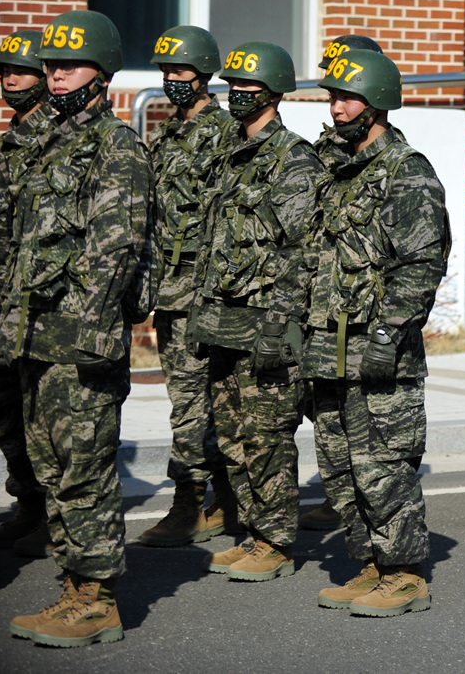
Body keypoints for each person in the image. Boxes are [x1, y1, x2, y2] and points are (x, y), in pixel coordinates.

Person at [6, 9, 154, 648]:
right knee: (49, 465)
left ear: (103, 71)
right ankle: (72, 590)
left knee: (84, 470)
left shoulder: (115, 146)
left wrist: (83, 338)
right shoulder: (47, 144)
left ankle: (97, 599)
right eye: (52, 63)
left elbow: (114, 250)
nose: (57, 73)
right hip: (33, 336)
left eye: (72, 63)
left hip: (76, 343)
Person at [305, 49, 448, 616]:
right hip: (328, 342)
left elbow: (421, 263)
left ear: (379, 101)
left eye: (348, 98)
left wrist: (388, 334)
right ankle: (370, 563)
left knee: (384, 464)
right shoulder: (340, 172)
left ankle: (406, 573)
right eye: (333, 99)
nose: (337, 109)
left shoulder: (407, 171)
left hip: (378, 347)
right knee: (340, 465)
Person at [189, 41, 322, 580]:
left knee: (266, 433)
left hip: (267, 319)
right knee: (232, 431)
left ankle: (276, 540)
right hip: (224, 318)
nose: (239, 95)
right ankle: (252, 530)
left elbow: (302, 251)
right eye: (234, 86)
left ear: (274, 94)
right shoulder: (229, 155)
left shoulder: (293, 159)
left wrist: (282, 324)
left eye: (250, 88)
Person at [138, 25, 241, 548]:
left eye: (179, 72)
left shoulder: (225, 134)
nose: (171, 80)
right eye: (165, 73)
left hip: (204, 291)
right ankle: (218, 499)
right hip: (168, 290)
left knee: (198, 401)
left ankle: (193, 503)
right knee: (188, 399)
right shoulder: (165, 133)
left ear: (204, 75)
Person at [300, 33, 388, 535]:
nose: (334, 103)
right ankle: (347, 499)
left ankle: (375, 521)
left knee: (372, 430)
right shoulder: (325, 151)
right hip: (325, 313)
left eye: (344, 89)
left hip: (364, 317)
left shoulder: (390, 162)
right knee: (327, 417)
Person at [0, 28, 54, 556]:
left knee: (38, 413)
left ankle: (48, 516)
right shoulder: (11, 138)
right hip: (5, 298)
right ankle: (28, 505)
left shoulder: (52, 139)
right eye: (4, 71)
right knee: (8, 412)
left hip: (36, 299)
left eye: (20, 71)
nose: (9, 79)